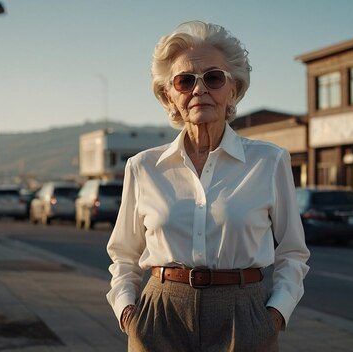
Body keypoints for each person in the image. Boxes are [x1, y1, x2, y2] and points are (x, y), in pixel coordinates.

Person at [106, 20, 310, 351]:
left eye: (213, 78)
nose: (199, 89)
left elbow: (292, 252)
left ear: (233, 89)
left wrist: (273, 318)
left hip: (245, 318)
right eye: (185, 81)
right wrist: (129, 316)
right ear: (169, 96)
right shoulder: (142, 167)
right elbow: (123, 255)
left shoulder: (269, 161)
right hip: (159, 316)